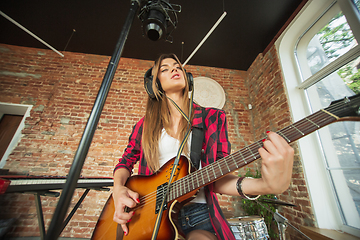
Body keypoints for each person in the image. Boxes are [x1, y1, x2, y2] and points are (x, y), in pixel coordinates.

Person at [112, 53, 294, 240]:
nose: (174, 69)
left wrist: (263, 185)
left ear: (187, 77)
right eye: (164, 69)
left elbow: (218, 177)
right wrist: (117, 189)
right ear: (155, 85)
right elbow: (125, 164)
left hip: (199, 215)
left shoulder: (213, 118)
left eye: (177, 66)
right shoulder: (145, 126)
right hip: (150, 216)